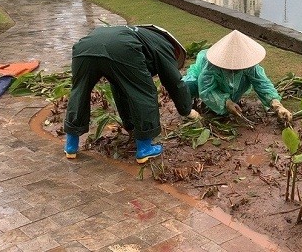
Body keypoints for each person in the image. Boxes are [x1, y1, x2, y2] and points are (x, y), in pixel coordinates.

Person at [63, 25, 200, 163]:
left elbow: (122, 85)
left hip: (84, 48)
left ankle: (71, 146)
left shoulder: (139, 35)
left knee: (79, 92)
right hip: (120, 49)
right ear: (175, 49)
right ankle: (145, 149)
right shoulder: (164, 45)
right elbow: (174, 82)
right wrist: (186, 110)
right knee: (143, 92)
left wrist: (130, 125)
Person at [182, 30, 292, 122]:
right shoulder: (211, 65)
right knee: (187, 86)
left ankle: (230, 100)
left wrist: (277, 106)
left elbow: (262, 83)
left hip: (233, 88)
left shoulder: (250, 66)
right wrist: (226, 102)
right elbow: (205, 89)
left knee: (227, 107)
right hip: (202, 85)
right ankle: (190, 107)